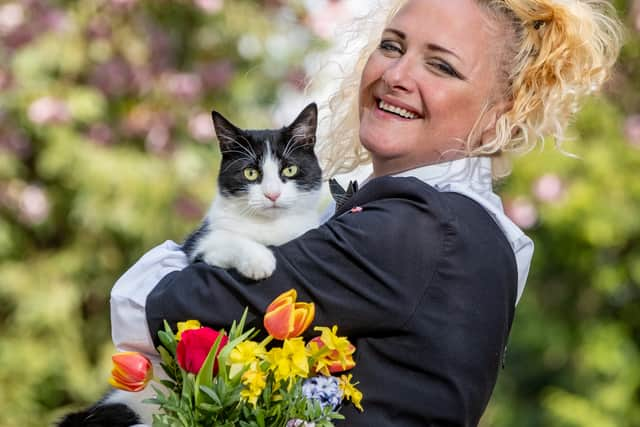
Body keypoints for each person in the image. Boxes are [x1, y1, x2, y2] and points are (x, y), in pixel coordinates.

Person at [110, 0, 623, 425]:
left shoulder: (418, 228)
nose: (397, 75)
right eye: (392, 46)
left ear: (497, 119)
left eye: (441, 65)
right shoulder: (452, 224)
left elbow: (143, 307)